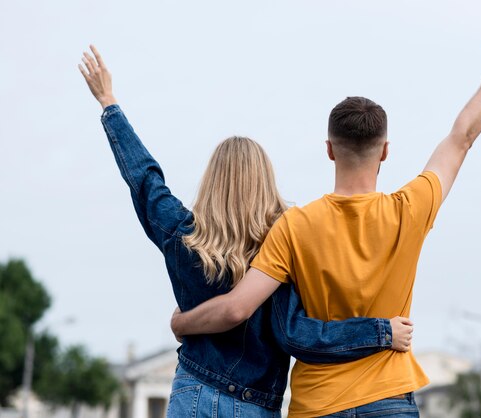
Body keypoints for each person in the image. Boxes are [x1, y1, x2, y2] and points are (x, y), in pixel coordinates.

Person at [170, 10, 481, 417]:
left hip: (317, 406)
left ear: (329, 149)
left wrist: (183, 324)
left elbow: (237, 309)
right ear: (385, 151)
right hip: (389, 400)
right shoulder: (410, 208)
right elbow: (462, 137)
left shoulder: (295, 225)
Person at [78, 46, 414, 418]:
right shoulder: (283, 242)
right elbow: (297, 333)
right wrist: (379, 332)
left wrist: (109, 104)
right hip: (257, 405)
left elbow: (144, 179)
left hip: (192, 394)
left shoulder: (180, 233)